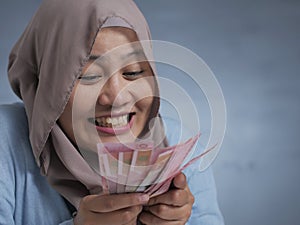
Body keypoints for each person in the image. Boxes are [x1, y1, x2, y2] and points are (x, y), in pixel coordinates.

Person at [0, 0, 224, 224]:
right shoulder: (6, 141)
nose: (116, 98)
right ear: (47, 80)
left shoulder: (180, 146)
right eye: (89, 75)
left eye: (134, 72)